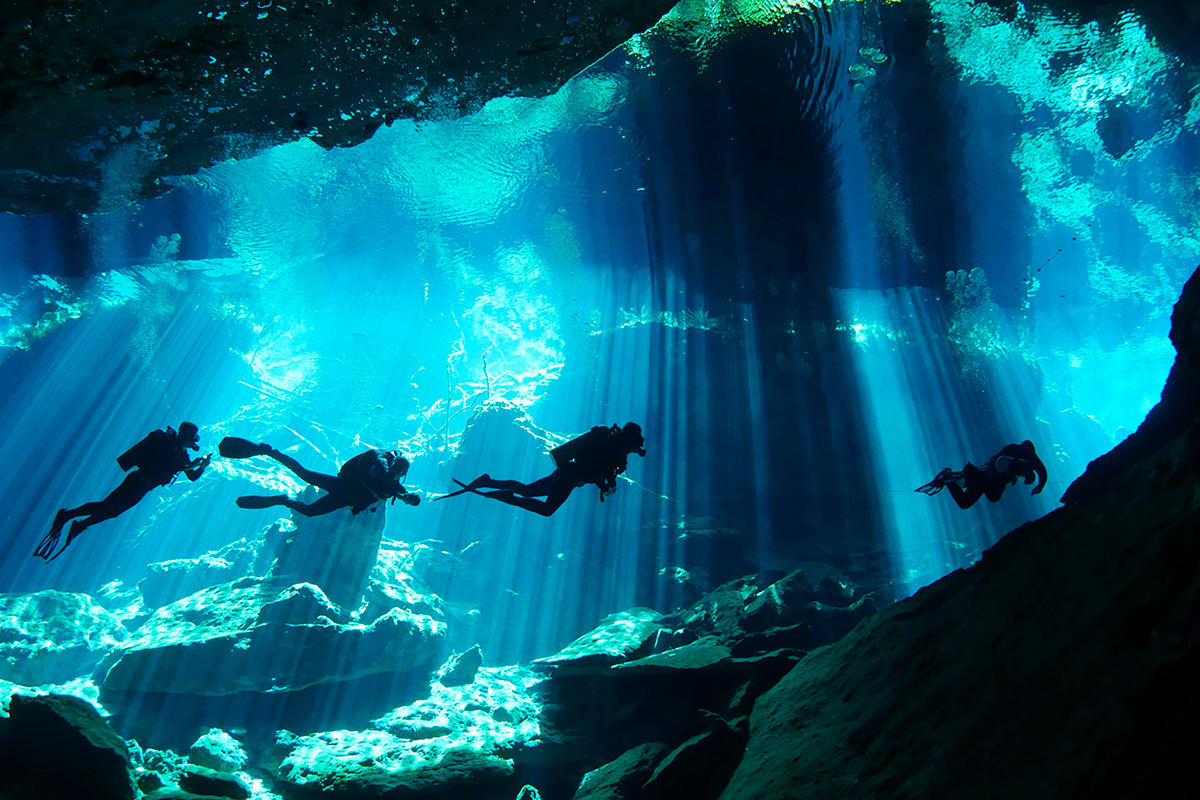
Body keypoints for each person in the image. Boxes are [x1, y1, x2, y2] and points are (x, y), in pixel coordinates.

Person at [35, 421, 211, 562]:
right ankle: (66, 515)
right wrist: (190, 465)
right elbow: (169, 461)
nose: (195, 441)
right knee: (106, 506)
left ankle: (80, 525)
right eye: (194, 437)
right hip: (138, 480)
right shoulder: (167, 442)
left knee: (114, 512)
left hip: (145, 487)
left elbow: (192, 476)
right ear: (185, 436)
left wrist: (201, 467)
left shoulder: (183, 455)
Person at [440, 422, 646, 516]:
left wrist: (605, 484)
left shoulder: (612, 444)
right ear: (631, 441)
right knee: (547, 509)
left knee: (528, 490)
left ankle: (488, 481)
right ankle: (504, 496)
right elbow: (599, 467)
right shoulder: (616, 448)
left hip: (568, 472)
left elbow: (595, 467)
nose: (635, 451)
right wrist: (609, 484)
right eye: (636, 447)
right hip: (570, 476)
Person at [222, 437, 420, 517]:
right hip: (342, 485)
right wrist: (385, 472)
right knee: (304, 474)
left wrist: (410, 498)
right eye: (395, 469)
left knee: (309, 512)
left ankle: (282, 500)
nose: (395, 474)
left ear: (403, 474)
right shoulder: (380, 459)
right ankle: (270, 452)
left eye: (399, 473)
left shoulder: (394, 486)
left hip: (345, 499)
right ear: (393, 463)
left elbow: (403, 494)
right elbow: (378, 459)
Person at [917, 440, 1047, 509]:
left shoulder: (1012, 448)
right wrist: (1039, 487)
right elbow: (1042, 472)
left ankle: (950, 478)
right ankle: (950, 480)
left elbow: (995, 460)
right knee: (991, 497)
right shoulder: (1030, 456)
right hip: (989, 479)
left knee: (965, 502)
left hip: (981, 472)